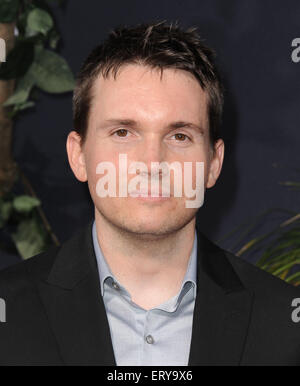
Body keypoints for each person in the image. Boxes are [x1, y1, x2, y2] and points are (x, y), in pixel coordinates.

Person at [0, 20, 299, 366]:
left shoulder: (285, 328)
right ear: (78, 156)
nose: (152, 163)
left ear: (213, 164)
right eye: (123, 132)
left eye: (179, 136)